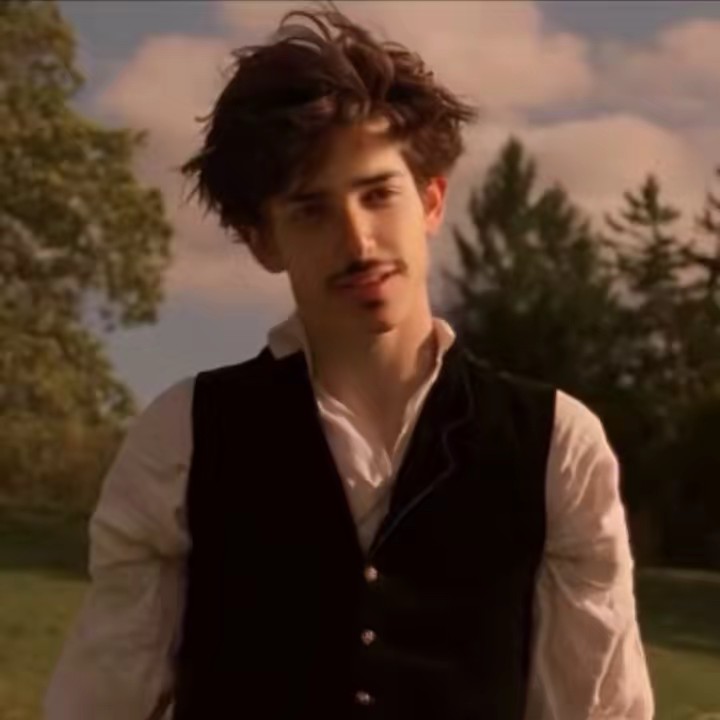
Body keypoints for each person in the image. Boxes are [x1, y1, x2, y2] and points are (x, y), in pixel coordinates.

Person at [45, 4, 655, 719]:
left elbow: (600, 708)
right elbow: (102, 701)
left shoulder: (555, 443)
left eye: (377, 194)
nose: (359, 242)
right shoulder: (183, 437)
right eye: (311, 210)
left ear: (431, 200)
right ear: (262, 241)